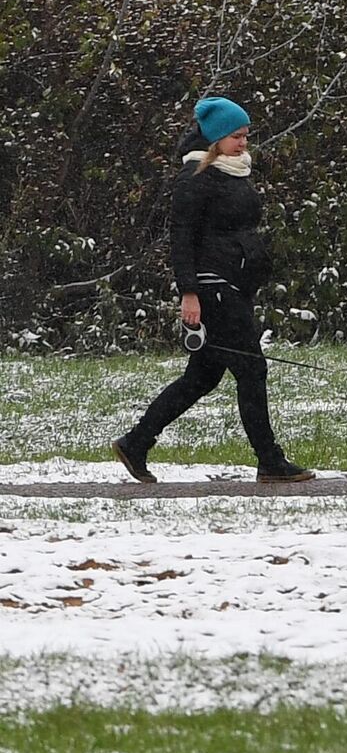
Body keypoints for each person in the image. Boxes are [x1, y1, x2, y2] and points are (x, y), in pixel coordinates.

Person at [112, 97, 315, 484]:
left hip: (236, 286)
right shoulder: (195, 178)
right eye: (236, 136)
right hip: (213, 288)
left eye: (245, 136)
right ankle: (270, 461)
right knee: (252, 369)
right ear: (216, 138)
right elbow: (181, 238)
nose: (243, 143)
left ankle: (136, 443)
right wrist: (189, 293)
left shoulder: (233, 171)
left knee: (202, 377)